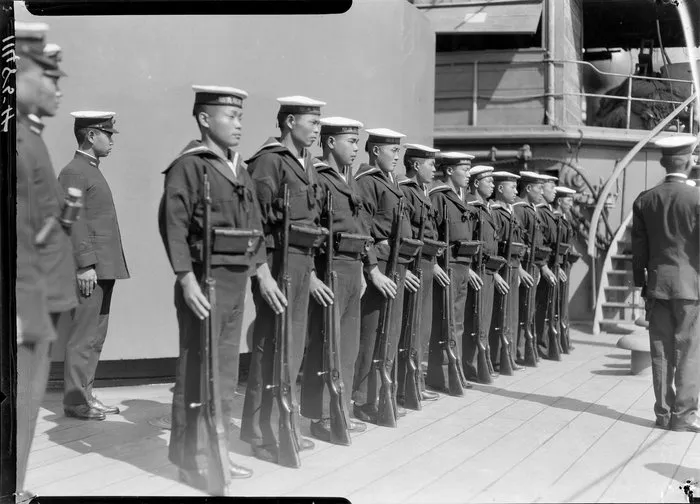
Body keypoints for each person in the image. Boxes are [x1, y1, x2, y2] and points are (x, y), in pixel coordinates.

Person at [158, 85, 285, 486]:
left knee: (225, 374)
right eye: (230, 117)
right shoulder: (190, 165)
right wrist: (184, 277)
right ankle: (192, 459)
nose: (238, 125)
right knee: (198, 368)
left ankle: (218, 451)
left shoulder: (238, 168)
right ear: (204, 119)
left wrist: (262, 272)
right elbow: (173, 225)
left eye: (241, 118)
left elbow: (256, 225)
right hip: (204, 280)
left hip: (234, 282)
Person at [240, 95, 326, 463]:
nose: (318, 129)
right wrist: (261, 272)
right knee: (271, 345)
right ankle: (263, 432)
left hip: (301, 262)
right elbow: (252, 220)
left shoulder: (304, 164)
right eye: (312, 122)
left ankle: (281, 426)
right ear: (290, 122)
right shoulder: (269, 162)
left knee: (291, 347)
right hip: (277, 263)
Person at [14, 21, 76, 501]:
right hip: (23, 299)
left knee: (28, 407)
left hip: (35, 295)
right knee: (20, 406)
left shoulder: (30, 138)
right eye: (49, 76)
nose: (57, 86)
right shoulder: (18, 142)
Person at [300, 117, 373, 442]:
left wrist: (366, 269)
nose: (356, 148)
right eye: (351, 141)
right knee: (325, 345)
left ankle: (340, 410)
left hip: (350, 268)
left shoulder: (350, 181)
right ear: (330, 142)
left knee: (346, 348)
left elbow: (361, 227)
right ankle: (322, 417)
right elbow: (310, 226)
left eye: (358, 142)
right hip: (327, 267)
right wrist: (311, 275)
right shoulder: (319, 177)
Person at [57, 111, 129, 420]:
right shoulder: (75, 171)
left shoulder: (90, 170)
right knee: (83, 336)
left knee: (96, 335)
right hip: (91, 269)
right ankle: (75, 401)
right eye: (108, 134)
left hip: (104, 267)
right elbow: (72, 222)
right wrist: (85, 265)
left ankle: (86, 395)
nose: (112, 140)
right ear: (91, 136)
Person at [632, 134, 700, 432]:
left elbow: (639, 249)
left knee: (660, 351)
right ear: (688, 161)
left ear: (663, 162)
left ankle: (663, 414)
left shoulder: (645, 199)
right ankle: (683, 417)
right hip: (691, 287)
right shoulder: (697, 199)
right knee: (688, 351)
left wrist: (641, 283)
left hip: (657, 285)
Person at [352, 128, 417, 424]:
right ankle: (364, 400)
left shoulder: (393, 183)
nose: (397, 156)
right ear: (376, 150)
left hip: (397, 266)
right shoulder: (367, 182)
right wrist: (372, 267)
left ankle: (381, 395)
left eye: (399, 151)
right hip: (380, 267)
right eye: (393, 150)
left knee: (388, 335)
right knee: (372, 335)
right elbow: (363, 226)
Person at [426, 152, 478, 391]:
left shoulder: (461, 199)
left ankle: (453, 372)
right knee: (445, 323)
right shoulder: (439, 197)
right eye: (464, 170)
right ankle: (444, 377)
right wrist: (434, 265)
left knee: (457, 322)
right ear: (449, 171)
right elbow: (430, 234)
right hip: (446, 267)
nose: (468, 175)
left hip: (462, 267)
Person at [397, 144, 443, 404]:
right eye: (430, 164)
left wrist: (433, 262)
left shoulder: (422, 192)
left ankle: (416, 381)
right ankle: (405, 386)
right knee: (410, 327)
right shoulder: (405, 191)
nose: (434, 168)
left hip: (425, 263)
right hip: (412, 265)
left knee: (422, 328)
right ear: (415, 165)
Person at [464, 166, 504, 380]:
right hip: (475, 269)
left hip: (488, 269)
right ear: (476, 183)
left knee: (484, 319)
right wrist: (470, 269)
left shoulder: (488, 208)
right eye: (488, 181)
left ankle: (481, 362)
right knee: (474, 320)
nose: (492, 185)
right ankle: (471, 367)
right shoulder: (471, 206)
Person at [488, 172, 525, 374]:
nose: (516, 191)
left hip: (512, 268)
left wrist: (518, 269)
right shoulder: (494, 211)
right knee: (498, 314)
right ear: (500, 189)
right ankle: (496, 359)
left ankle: (507, 356)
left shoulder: (511, 212)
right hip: (500, 268)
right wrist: (495, 273)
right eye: (512, 187)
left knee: (510, 314)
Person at [512, 171, 548, 366]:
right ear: (528, 188)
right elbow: (516, 242)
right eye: (538, 188)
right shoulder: (519, 209)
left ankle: (524, 350)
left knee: (529, 311)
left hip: (533, 265)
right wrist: (519, 268)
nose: (541, 192)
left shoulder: (530, 209)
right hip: (524, 266)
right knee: (522, 309)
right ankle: (517, 352)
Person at [535, 173, 562, 359]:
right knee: (539, 308)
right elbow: (541, 242)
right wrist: (543, 266)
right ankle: (539, 346)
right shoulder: (540, 212)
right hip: (541, 266)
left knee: (548, 308)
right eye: (551, 188)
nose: (554, 192)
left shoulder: (548, 212)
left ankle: (543, 346)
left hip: (551, 266)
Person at [553, 185, 580, 353]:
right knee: (558, 302)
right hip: (559, 265)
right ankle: (559, 340)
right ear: (559, 201)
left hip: (566, 263)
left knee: (563, 303)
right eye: (568, 200)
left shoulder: (565, 218)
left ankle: (564, 339)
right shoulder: (556, 218)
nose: (571, 203)